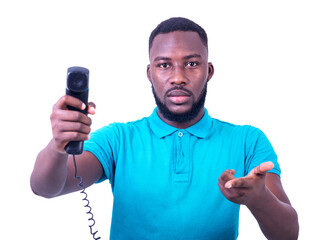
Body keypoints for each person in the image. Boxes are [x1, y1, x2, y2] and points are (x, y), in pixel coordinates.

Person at [30, 17, 299, 240]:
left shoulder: (247, 141)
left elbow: (288, 234)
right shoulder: (118, 139)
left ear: (209, 71)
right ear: (150, 73)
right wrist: (57, 145)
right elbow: (44, 187)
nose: (178, 77)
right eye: (164, 65)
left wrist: (259, 198)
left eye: (192, 64)